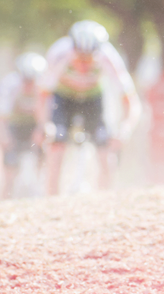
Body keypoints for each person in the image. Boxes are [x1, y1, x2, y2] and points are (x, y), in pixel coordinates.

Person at [42, 20, 142, 195]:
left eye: (88, 59)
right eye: (79, 58)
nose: (83, 65)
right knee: (56, 143)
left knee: (106, 149)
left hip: (93, 99)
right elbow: (42, 95)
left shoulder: (109, 57)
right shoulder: (58, 54)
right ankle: (52, 199)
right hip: (63, 98)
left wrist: (125, 129)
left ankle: (105, 200)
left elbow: (131, 101)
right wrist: (43, 124)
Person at [0, 52, 46, 199]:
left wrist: (41, 131)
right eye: (25, 80)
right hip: (15, 125)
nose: (28, 84)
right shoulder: (9, 84)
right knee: (10, 168)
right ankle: (4, 197)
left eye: (32, 81)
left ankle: (41, 187)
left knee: (45, 147)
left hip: (35, 124)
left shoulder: (44, 85)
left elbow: (47, 114)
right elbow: (1, 116)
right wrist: (3, 136)